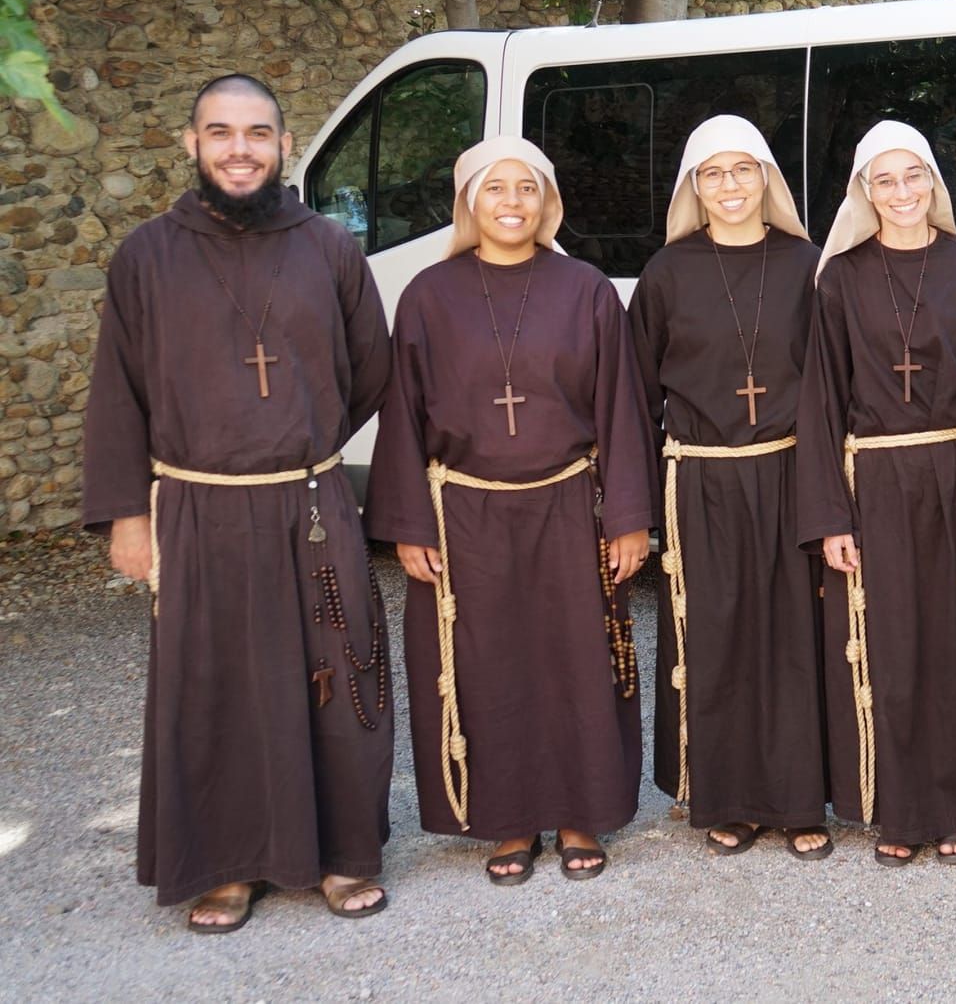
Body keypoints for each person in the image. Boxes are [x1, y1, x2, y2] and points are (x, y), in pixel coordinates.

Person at [82, 73, 394, 931]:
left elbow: (371, 368)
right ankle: (227, 861)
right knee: (219, 683)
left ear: (284, 145)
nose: (240, 149)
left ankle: (342, 854)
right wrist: (128, 516)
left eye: (257, 133)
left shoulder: (329, 247)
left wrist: (307, 440)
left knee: (338, 675)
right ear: (191, 145)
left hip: (310, 500)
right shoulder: (146, 255)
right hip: (201, 509)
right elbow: (118, 394)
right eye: (220, 133)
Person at [365, 137, 656, 885]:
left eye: (526, 189)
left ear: (547, 202)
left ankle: (579, 810)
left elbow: (622, 407)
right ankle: (508, 819)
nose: (512, 203)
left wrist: (628, 517)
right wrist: (408, 526)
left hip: (569, 508)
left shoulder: (586, 289)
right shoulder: (429, 295)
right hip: (467, 514)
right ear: (469, 203)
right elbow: (402, 416)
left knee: (578, 659)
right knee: (487, 665)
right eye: (495, 190)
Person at [796, 121, 956, 867]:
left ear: (935, 183)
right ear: (866, 192)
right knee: (890, 643)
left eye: (915, 177)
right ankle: (898, 807)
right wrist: (830, 513)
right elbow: (821, 403)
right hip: (877, 481)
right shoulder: (840, 278)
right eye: (886, 180)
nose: (902, 193)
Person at [628, 115, 831, 860]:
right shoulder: (667, 272)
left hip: (786, 468)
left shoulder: (807, 263)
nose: (729, 186)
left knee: (792, 637)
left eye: (742, 170)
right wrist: (642, 502)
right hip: (702, 478)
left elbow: (831, 381)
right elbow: (635, 389)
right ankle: (730, 797)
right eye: (711, 173)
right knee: (717, 637)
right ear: (693, 187)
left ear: (767, 178)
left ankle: (800, 799)